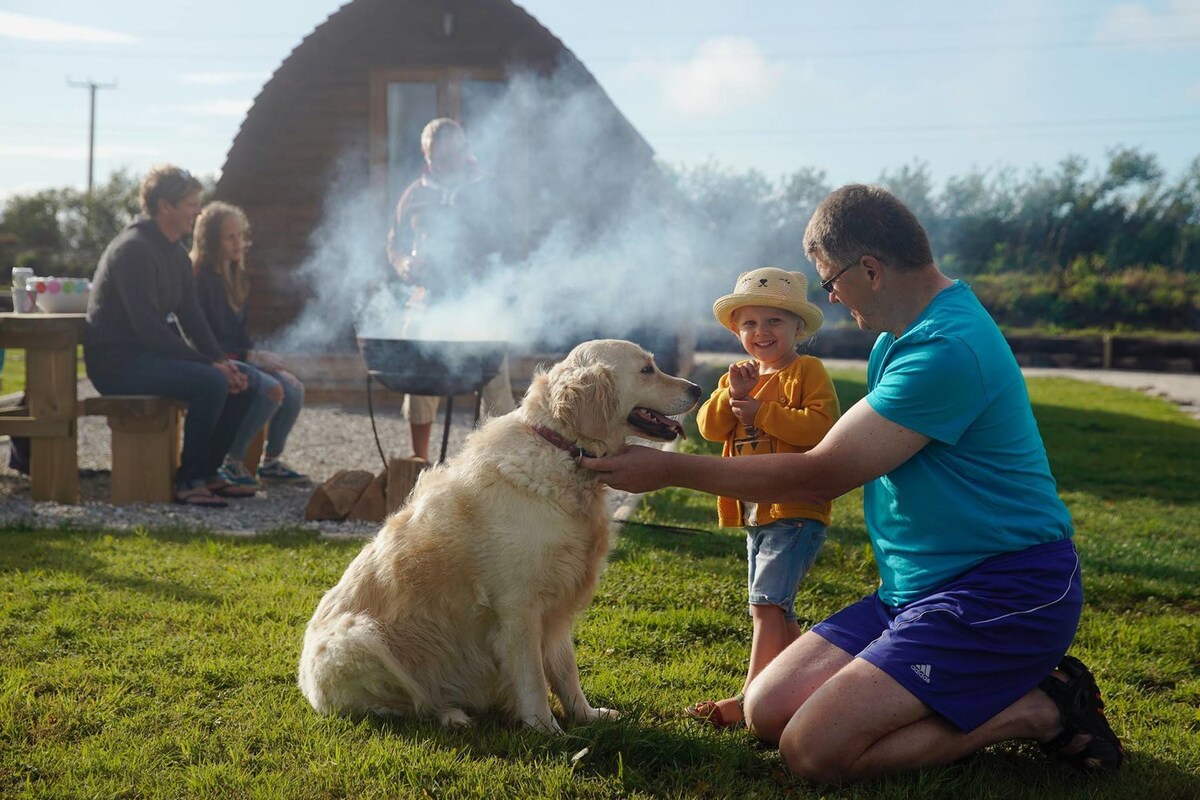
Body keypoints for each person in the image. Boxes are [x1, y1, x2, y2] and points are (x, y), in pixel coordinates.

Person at [582, 185, 1122, 783]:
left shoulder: (946, 348)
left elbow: (824, 472)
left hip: (1004, 592)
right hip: (915, 593)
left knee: (813, 752)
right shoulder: (899, 337)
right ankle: (983, 684)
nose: (832, 298)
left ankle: (1039, 708)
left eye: (830, 281)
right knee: (766, 711)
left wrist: (668, 469)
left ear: (871, 267)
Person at [686, 267, 840, 728]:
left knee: (765, 605)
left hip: (794, 508)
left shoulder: (806, 371)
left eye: (774, 321)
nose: (761, 332)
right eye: (750, 323)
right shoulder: (737, 378)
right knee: (778, 607)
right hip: (756, 512)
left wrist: (763, 412)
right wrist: (732, 396)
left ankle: (749, 698)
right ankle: (808, 685)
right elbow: (710, 430)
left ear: (797, 329)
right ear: (737, 331)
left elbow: (821, 429)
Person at [84, 164, 254, 509]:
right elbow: (149, 331)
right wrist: (210, 365)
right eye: (191, 204)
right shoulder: (133, 249)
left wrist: (222, 361)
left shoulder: (175, 252)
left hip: (148, 357)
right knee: (210, 382)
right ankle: (188, 480)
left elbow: (191, 316)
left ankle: (206, 473)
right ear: (166, 206)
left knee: (242, 380)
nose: (198, 211)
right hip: (118, 365)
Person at [385, 117, 515, 461]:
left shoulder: (490, 189)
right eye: (441, 157)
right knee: (419, 374)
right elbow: (395, 244)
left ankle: (501, 461)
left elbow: (513, 243)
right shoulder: (413, 195)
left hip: (479, 299)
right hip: (429, 299)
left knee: (494, 381)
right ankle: (419, 460)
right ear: (429, 158)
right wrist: (404, 265)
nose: (451, 162)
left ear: (466, 150)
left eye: (456, 153)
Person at [190, 201, 309, 487]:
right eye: (230, 237)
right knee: (271, 389)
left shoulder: (236, 277)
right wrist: (252, 357)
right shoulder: (200, 281)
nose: (239, 243)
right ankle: (231, 461)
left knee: (293, 388)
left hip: (236, 354)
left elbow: (238, 333)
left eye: (241, 236)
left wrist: (258, 355)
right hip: (212, 360)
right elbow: (207, 339)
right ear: (211, 241)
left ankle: (270, 463)